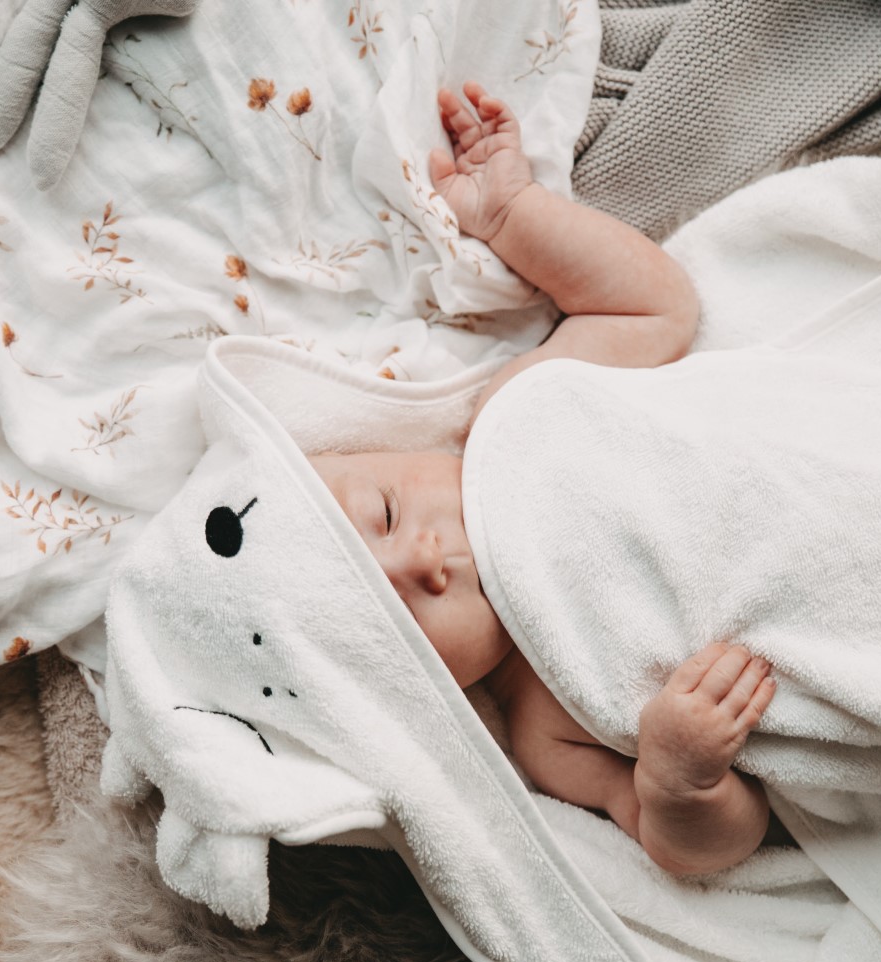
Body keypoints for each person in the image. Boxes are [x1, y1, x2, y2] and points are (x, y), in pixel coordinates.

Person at [310, 82, 776, 876]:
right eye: (394, 618)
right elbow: (703, 852)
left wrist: (509, 216)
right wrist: (677, 779)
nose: (420, 561)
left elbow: (656, 309)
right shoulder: (547, 730)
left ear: (398, 450)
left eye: (386, 514)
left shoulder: (518, 419)